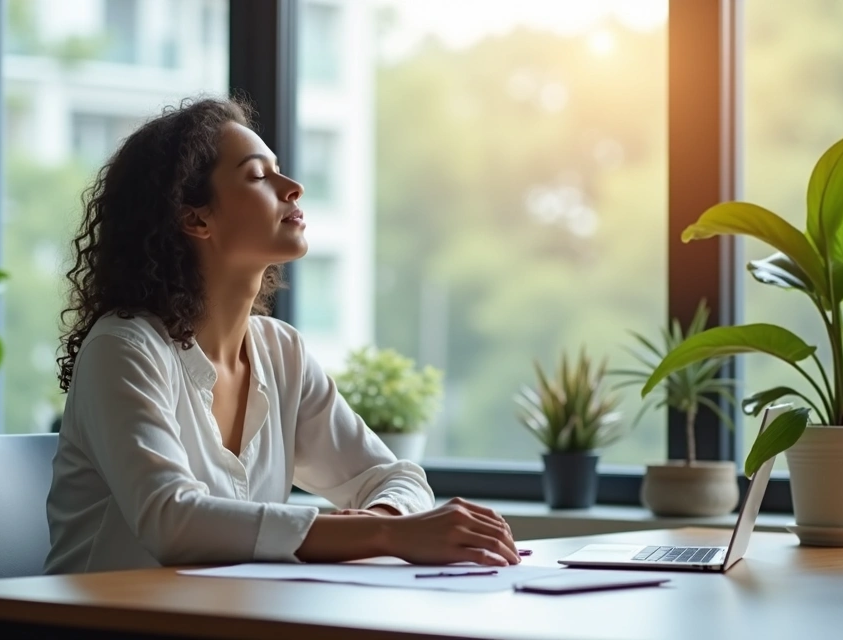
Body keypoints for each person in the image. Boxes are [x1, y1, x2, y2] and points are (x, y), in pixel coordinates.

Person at [43, 96, 519, 574]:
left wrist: (386, 517)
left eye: (280, 170)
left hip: (231, 620)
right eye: (258, 176)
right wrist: (386, 534)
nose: (293, 187)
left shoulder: (281, 351)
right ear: (195, 218)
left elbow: (390, 476)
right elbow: (173, 521)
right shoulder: (123, 348)